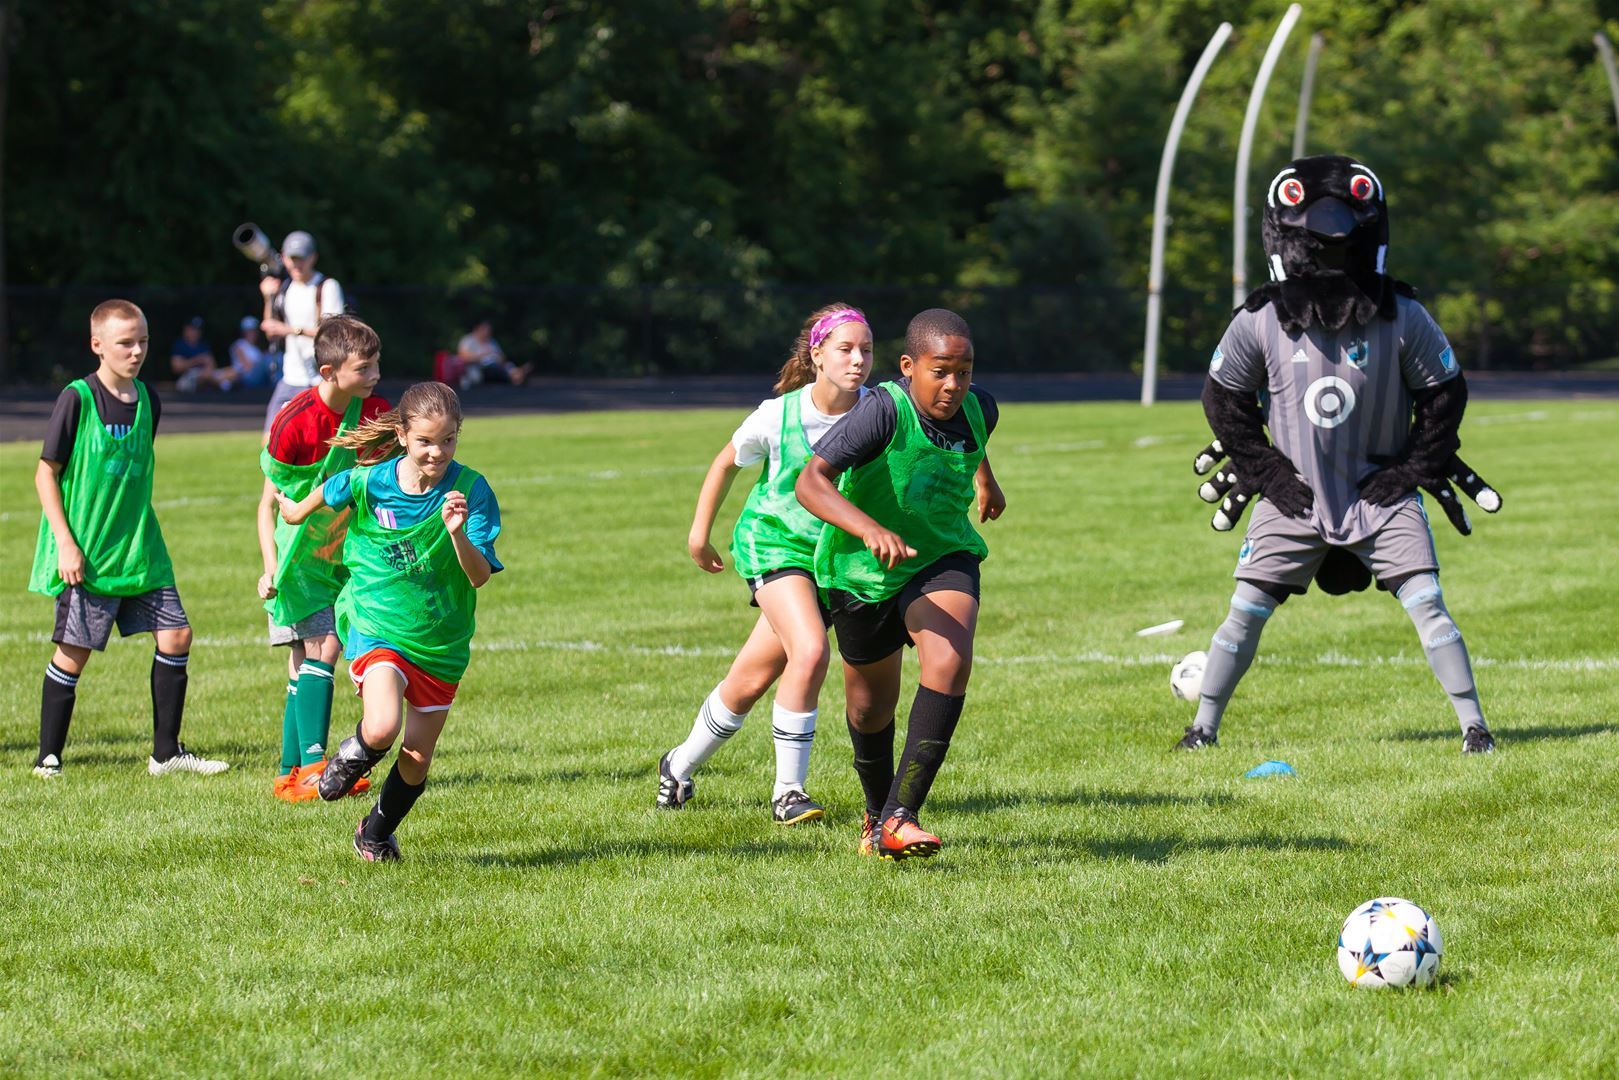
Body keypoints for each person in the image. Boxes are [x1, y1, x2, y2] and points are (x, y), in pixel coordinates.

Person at [1176, 155, 1495, 755]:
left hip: (1381, 495)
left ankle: (1474, 727)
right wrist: (1266, 470)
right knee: (1243, 612)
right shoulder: (1260, 319)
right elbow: (1223, 398)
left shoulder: (1403, 316)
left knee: (1428, 603)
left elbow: (1444, 394)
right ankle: (1203, 729)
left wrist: (1412, 469)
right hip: (1293, 497)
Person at [795, 308, 1005, 860]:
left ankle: (901, 816)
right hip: (863, 572)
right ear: (909, 367)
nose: (954, 385)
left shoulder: (982, 406)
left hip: (942, 555)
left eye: (964, 371)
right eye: (941, 371)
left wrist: (986, 481)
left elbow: (972, 440)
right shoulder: (882, 412)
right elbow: (810, 482)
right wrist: (868, 529)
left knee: (951, 661)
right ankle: (875, 812)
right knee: (870, 709)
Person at [657, 304, 873, 824]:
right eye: (845, 349)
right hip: (773, 546)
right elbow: (725, 462)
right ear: (816, 354)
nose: (859, 359)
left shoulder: (878, 408)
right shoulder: (778, 416)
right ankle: (788, 793)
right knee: (812, 650)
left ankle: (678, 766)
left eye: (867, 349)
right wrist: (698, 534)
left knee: (751, 679)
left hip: (829, 558)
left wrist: (981, 475)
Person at [276, 383, 501, 861]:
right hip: (378, 624)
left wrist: (457, 534)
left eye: (448, 440)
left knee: (417, 759)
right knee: (381, 726)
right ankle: (349, 757)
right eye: (425, 441)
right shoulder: (374, 480)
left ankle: (374, 833)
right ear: (401, 435)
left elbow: (478, 577)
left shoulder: (472, 491)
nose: (436, 452)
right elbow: (337, 485)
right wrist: (295, 512)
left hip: (441, 640)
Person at [28, 299, 229, 778]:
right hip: (89, 551)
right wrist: (65, 543)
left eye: (142, 341)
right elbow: (44, 474)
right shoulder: (76, 399)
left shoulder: (149, 400)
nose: (136, 351)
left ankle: (166, 754)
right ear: (97, 345)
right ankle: (47, 758)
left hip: (141, 547)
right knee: (73, 653)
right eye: (125, 343)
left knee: (178, 634)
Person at [258, 314, 390, 801]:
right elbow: (268, 503)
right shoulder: (293, 421)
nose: (375, 375)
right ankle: (316, 767)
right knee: (325, 647)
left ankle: (288, 773)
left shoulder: (374, 410)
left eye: (377, 364)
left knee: (303, 662)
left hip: (343, 554)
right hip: (299, 561)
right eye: (365, 367)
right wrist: (270, 567)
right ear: (329, 371)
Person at [259, 230, 345, 434]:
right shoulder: (285, 288)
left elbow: (333, 333)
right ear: (283, 257)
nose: (296, 265)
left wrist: (290, 330)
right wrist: (267, 298)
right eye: (292, 259)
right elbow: (270, 331)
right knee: (270, 440)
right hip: (290, 377)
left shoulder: (327, 286)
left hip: (320, 379)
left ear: (313, 257)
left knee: (317, 444)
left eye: (302, 258)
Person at [456, 320, 533, 387]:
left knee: (507, 365)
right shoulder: (468, 340)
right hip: (480, 368)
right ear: (477, 329)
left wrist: (498, 358)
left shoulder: (491, 341)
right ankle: (517, 376)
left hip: (496, 365)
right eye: (485, 329)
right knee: (494, 370)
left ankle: (516, 374)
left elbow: (502, 357)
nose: (487, 332)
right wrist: (483, 355)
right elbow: (463, 357)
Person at [170, 316, 228, 392]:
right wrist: (197, 360)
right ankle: (224, 385)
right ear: (186, 329)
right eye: (193, 329)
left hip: (207, 375)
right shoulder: (180, 345)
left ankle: (222, 383)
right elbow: (176, 367)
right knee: (205, 376)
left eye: (198, 330)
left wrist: (207, 368)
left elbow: (212, 365)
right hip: (187, 378)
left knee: (233, 372)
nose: (196, 332)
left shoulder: (203, 345)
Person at [228, 316, 275, 390]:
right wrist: (263, 359)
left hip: (257, 377)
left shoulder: (256, 348)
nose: (252, 333)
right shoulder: (239, 345)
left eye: (253, 331)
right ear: (244, 332)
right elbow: (247, 367)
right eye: (249, 331)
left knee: (275, 357)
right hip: (244, 378)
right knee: (269, 358)